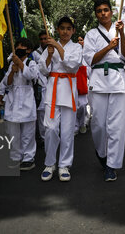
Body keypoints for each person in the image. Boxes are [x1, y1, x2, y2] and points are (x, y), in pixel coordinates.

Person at [82, 0, 125, 182]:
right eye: (99, 11)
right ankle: (102, 154)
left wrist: (122, 36)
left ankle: (112, 165)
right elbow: (90, 60)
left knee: (117, 127)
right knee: (99, 125)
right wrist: (109, 47)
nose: (103, 13)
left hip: (118, 81)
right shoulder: (91, 34)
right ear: (96, 14)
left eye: (106, 10)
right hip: (99, 81)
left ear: (112, 12)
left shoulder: (121, 30)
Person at [38, 16, 83, 182]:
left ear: (73, 31)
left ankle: (64, 164)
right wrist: (49, 56)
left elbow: (73, 65)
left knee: (67, 131)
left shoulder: (77, 47)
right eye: (62, 28)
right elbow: (43, 69)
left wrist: (57, 46)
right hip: (53, 90)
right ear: (57, 29)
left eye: (68, 28)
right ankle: (50, 163)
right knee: (50, 129)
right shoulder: (49, 48)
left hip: (69, 91)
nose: (65, 31)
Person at [0, 38, 38, 171]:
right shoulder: (11, 65)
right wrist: (13, 70)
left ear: (28, 50)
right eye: (17, 46)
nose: (19, 48)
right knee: (13, 132)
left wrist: (20, 63)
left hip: (26, 98)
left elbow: (32, 76)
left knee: (28, 133)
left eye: (22, 46)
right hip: (13, 98)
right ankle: (15, 157)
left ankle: (28, 158)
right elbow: (7, 82)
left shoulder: (31, 63)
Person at [31, 31, 50, 145]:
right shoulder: (35, 53)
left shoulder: (53, 51)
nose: (43, 41)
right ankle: (43, 137)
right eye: (41, 39)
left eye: (45, 39)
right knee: (41, 112)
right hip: (40, 85)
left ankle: (53, 133)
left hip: (53, 83)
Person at [75, 36, 91, 135]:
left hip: (84, 84)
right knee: (74, 107)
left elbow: (90, 71)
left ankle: (83, 123)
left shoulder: (88, 56)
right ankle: (76, 127)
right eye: (78, 40)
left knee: (83, 106)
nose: (80, 42)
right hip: (73, 84)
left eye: (82, 40)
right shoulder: (73, 54)